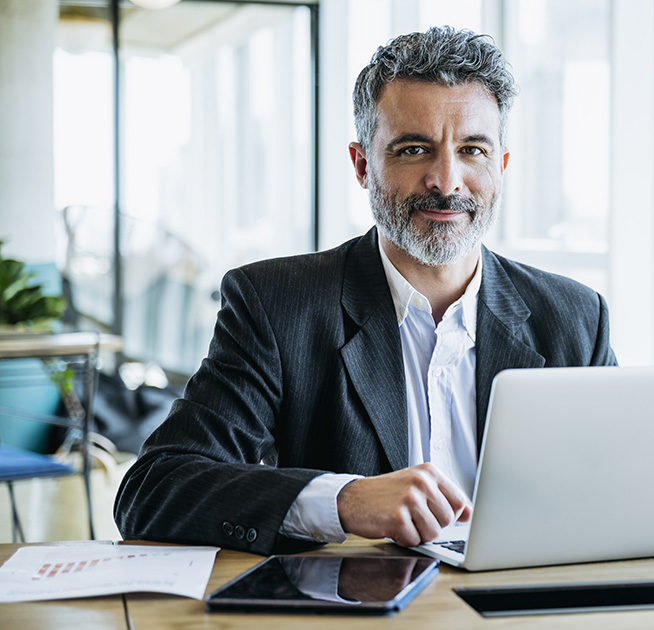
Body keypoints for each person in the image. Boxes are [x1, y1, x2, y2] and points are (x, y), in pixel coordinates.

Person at [114, 26, 617, 555]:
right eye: (414, 150)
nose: (446, 181)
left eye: (472, 150)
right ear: (361, 165)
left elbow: (621, 487)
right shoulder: (275, 304)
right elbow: (153, 490)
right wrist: (343, 500)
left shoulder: (575, 317)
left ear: (502, 166)